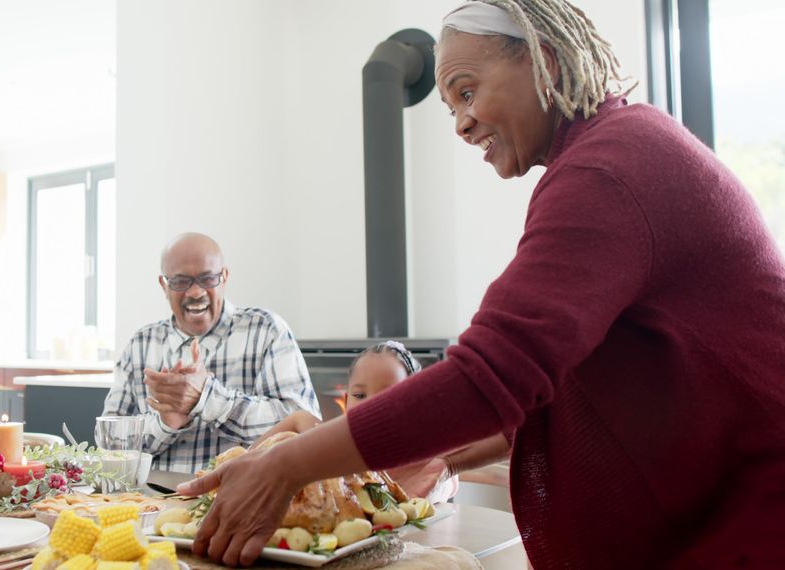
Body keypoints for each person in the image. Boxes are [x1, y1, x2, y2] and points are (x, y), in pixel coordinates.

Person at [178, 1, 785, 568]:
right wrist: (412, 453)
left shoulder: (608, 169)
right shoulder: (619, 148)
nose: (463, 126)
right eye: (450, 107)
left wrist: (288, 466)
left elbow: (492, 374)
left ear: (543, 59)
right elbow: (541, 388)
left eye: (468, 92)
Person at [103, 232, 320, 473]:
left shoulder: (265, 330)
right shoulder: (141, 343)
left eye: (207, 278)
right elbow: (110, 443)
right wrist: (166, 423)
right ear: (164, 285)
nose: (195, 292)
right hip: (152, 503)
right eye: (180, 281)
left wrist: (207, 399)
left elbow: (305, 426)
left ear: (224, 277)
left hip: (239, 500)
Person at [252, 340, 509, 503]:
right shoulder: (335, 449)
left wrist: (452, 471)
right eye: (359, 395)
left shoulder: (424, 455)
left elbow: (493, 442)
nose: (370, 407)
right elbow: (299, 419)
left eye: (388, 396)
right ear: (345, 399)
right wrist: (247, 460)